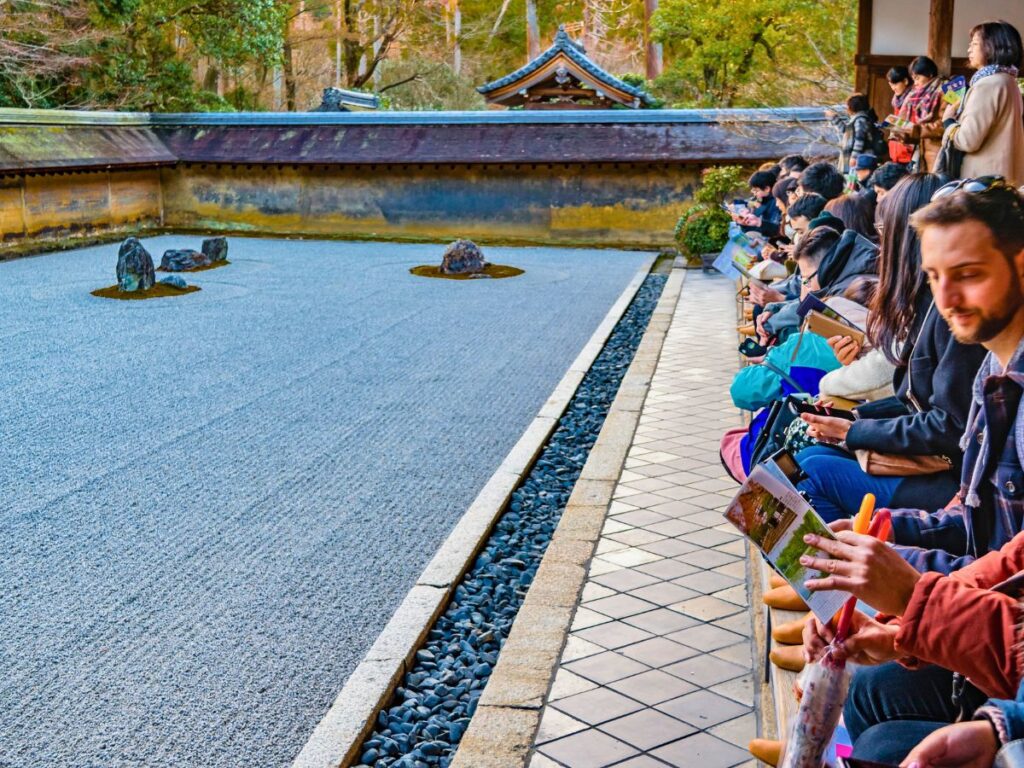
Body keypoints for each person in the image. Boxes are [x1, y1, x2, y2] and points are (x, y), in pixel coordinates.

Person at [801, 181, 1024, 763]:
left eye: (969, 273)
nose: (947, 296)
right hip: (986, 618)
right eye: (934, 276)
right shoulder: (993, 374)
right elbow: (991, 539)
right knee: (869, 694)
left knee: (884, 738)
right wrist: (885, 547)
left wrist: (912, 597)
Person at [796, 174, 987, 522]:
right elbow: (916, 397)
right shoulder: (928, 306)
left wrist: (855, 429)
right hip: (948, 467)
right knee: (808, 461)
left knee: (809, 475)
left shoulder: (953, 315)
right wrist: (854, 418)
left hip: (955, 478)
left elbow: (949, 425)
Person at [760, 225, 878, 341]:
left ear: (822, 269)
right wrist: (774, 308)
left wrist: (804, 303)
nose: (805, 284)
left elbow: (814, 336)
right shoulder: (850, 261)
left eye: (806, 279)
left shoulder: (847, 291)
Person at [943, 20, 1024, 185]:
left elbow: (968, 140)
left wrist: (949, 122)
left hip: (982, 181)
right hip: (1005, 177)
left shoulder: (987, 84)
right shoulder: (1009, 80)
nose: (968, 49)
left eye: (974, 44)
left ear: (992, 47)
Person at [893, 56, 944, 172]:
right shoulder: (917, 96)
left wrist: (916, 130)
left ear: (930, 74)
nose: (915, 83)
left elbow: (945, 124)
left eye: (918, 78)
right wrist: (904, 135)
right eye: (913, 79)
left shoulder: (945, 91)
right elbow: (918, 132)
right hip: (922, 153)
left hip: (939, 153)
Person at [828, 94, 884, 173]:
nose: (847, 109)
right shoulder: (856, 118)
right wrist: (834, 117)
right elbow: (845, 130)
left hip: (861, 157)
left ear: (853, 107)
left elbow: (860, 140)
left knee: (855, 179)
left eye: (848, 106)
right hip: (858, 156)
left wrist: (854, 157)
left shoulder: (860, 120)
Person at [734, 169, 782, 238]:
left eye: (756, 190)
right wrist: (743, 223)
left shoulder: (775, 202)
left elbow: (774, 230)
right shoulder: (759, 199)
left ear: (767, 189)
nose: (753, 192)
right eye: (752, 190)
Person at [885, 65, 915, 164]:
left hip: (909, 153)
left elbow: (914, 127)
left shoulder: (914, 99)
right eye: (890, 85)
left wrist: (896, 125)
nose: (893, 88)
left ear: (905, 81)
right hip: (896, 153)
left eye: (895, 84)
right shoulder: (897, 101)